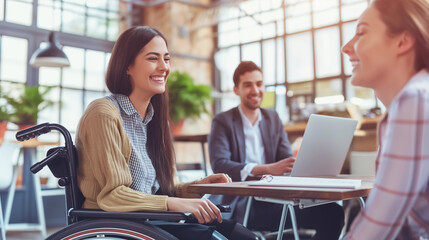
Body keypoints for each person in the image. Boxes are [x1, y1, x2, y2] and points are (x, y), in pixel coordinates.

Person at [76, 26, 257, 240]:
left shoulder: (153, 119)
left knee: (241, 235)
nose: (164, 67)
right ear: (127, 66)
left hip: (148, 221)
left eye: (167, 59)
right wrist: (172, 203)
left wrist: (198, 186)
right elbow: (113, 195)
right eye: (153, 58)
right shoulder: (103, 114)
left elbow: (163, 190)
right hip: (118, 225)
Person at [208, 61, 345, 239]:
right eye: (248, 85)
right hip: (244, 204)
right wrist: (267, 169)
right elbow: (220, 165)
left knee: (332, 213)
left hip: (276, 199)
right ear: (236, 90)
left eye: (259, 84)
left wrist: (307, 164)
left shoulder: (272, 118)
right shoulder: (223, 121)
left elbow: (286, 160)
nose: (255, 90)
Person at [341, 0, 429, 239]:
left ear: (402, 41)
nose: (346, 48)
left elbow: (378, 226)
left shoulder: (416, 100)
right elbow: (402, 226)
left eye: (362, 32)